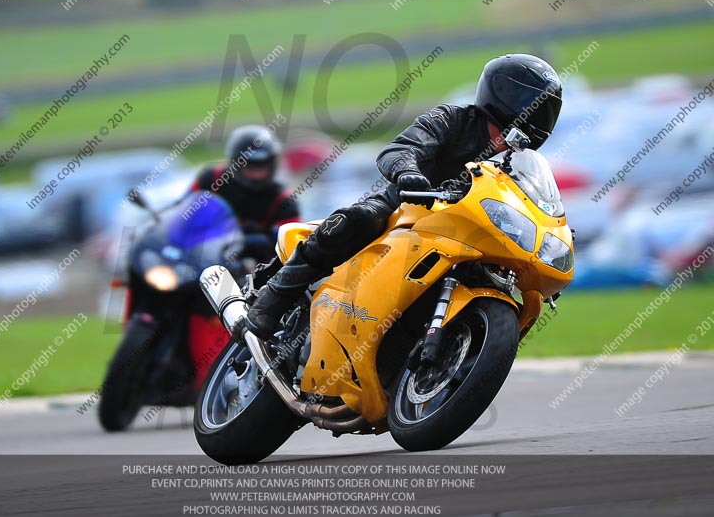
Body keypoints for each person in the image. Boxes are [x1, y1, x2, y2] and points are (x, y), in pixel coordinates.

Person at [246, 53, 563, 339]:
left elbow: (536, 204)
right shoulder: (453, 119)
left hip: (469, 235)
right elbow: (399, 148)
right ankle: (272, 300)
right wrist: (408, 171)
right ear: (503, 96)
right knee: (355, 220)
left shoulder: (521, 164)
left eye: (544, 108)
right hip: (407, 207)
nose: (536, 115)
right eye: (530, 103)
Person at [190, 124, 300, 261]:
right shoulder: (212, 178)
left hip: (250, 270)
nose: (256, 173)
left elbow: (291, 248)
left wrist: (265, 240)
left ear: (272, 164)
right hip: (200, 255)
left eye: (262, 166)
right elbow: (185, 208)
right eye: (249, 165)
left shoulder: (283, 199)